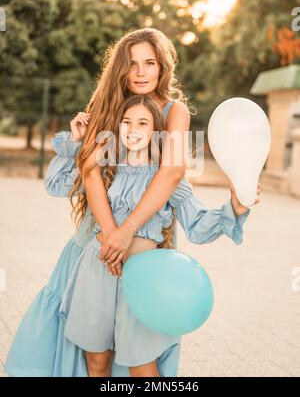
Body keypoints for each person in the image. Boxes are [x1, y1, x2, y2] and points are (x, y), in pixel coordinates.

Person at [5, 28, 257, 377]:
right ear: (120, 68)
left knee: (141, 351)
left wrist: (128, 232)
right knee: (92, 350)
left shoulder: (174, 111)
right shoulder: (105, 107)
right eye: (132, 63)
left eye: (149, 63)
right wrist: (112, 235)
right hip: (98, 247)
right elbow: (90, 171)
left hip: (144, 249)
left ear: (162, 68)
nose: (140, 72)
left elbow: (171, 173)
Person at [58, 94, 253, 378]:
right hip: (97, 269)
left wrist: (234, 208)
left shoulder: (168, 179)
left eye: (142, 123)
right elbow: (59, 184)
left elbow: (198, 225)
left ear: (157, 132)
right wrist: (77, 142)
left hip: (142, 279)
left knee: (142, 365)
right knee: (97, 362)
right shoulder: (108, 169)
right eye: (126, 122)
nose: (133, 129)